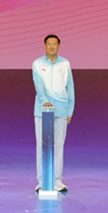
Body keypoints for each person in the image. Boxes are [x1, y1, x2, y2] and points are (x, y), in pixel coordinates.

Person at [32, 34, 75, 193]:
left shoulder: (65, 63)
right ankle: (42, 181)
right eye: (49, 44)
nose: (51, 46)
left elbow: (70, 88)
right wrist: (45, 102)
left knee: (59, 145)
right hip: (42, 111)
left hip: (61, 110)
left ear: (58, 46)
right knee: (42, 145)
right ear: (45, 46)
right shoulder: (37, 64)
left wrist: (69, 111)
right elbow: (38, 86)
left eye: (54, 44)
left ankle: (57, 181)